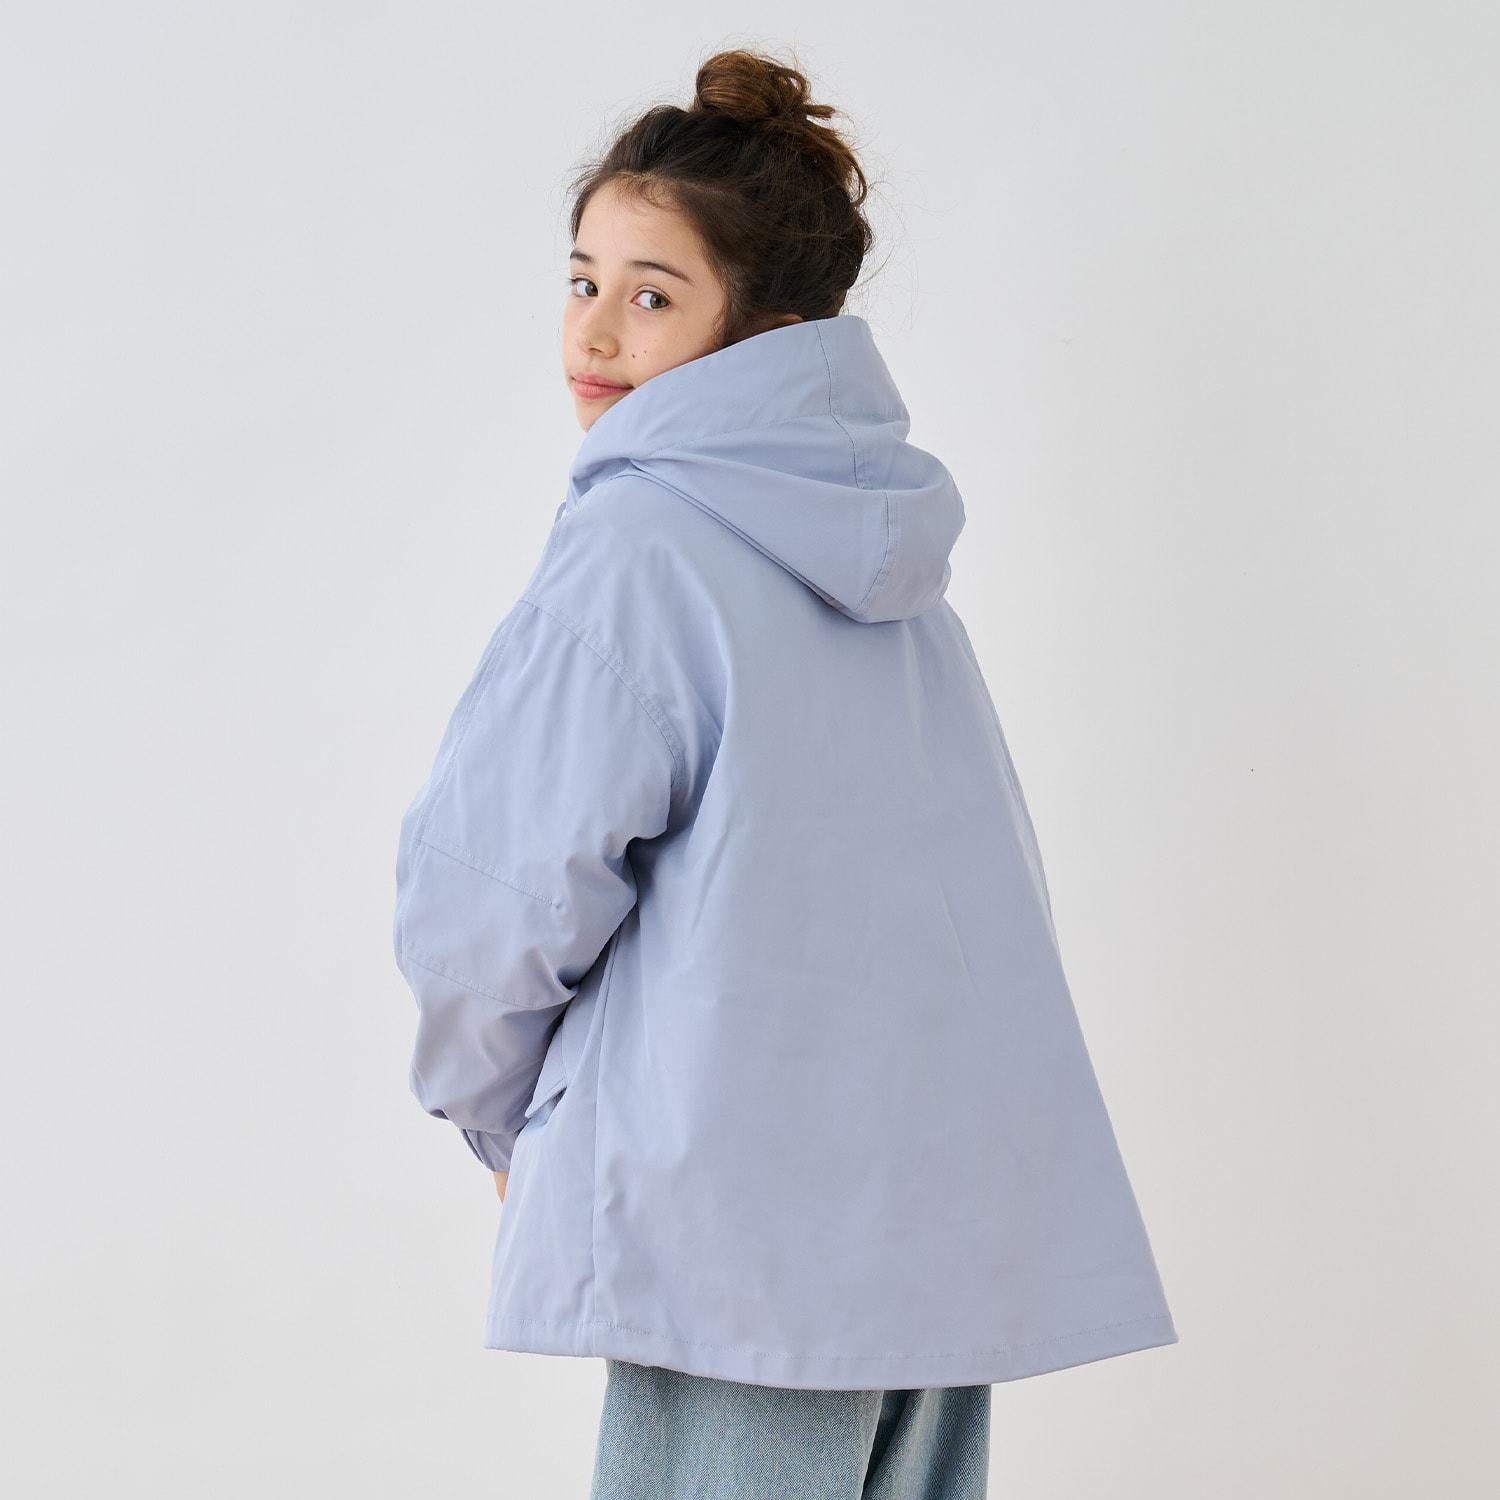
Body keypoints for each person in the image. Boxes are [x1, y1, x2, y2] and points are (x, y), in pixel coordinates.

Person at [392, 46, 1178, 1500]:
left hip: (734, 1239)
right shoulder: (893, 568)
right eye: (583, 279)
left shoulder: (640, 551)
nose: (596, 331)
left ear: (760, 330)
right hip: (931, 1232)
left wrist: (497, 1113)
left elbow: (491, 891)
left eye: (653, 294)